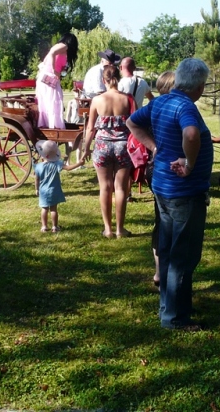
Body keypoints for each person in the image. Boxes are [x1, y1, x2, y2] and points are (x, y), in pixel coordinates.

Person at [127, 58, 213, 331]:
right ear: (199, 85)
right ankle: (175, 318)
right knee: (182, 256)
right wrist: (188, 164)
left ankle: (169, 308)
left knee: (167, 250)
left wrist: (154, 147)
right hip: (183, 193)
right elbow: (190, 133)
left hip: (163, 188)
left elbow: (132, 122)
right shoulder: (185, 106)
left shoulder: (162, 101)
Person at [81, 65, 134, 238]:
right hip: (123, 147)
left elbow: (90, 128)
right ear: (118, 78)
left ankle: (108, 230)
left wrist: (86, 148)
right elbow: (136, 123)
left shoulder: (97, 100)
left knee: (105, 187)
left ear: (103, 80)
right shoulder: (128, 99)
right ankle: (120, 229)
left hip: (102, 147)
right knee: (120, 188)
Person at [149, 70, 176, 288]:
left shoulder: (154, 107)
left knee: (161, 221)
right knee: (168, 222)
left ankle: (160, 271)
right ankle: (165, 272)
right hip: (167, 172)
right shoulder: (171, 108)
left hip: (156, 169)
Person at [34, 140, 84, 232]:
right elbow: (68, 168)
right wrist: (79, 163)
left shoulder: (38, 166)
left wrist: (36, 189)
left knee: (44, 209)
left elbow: (37, 179)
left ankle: (44, 226)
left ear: (42, 154)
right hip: (54, 190)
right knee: (53, 209)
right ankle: (54, 227)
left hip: (43, 191)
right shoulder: (57, 164)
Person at [36, 33, 79, 129]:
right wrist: (55, 70)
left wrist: (60, 71)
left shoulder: (62, 48)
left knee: (50, 101)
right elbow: (52, 53)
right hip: (49, 76)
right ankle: (54, 125)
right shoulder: (64, 46)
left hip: (47, 77)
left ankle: (49, 123)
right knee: (54, 100)